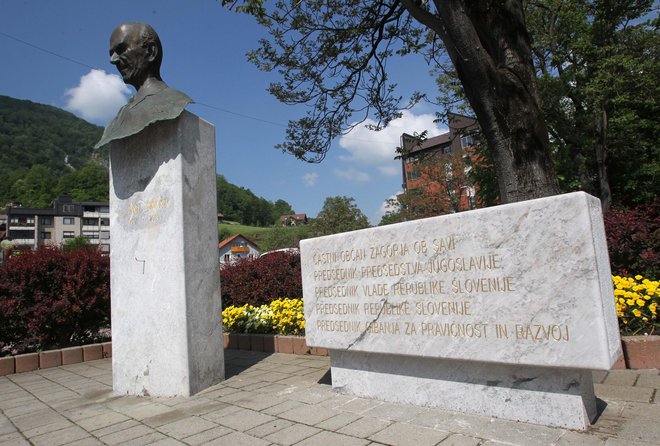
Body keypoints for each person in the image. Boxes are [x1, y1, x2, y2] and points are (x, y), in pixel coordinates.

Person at [95, 22, 192, 148]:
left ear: (151, 51)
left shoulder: (176, 101)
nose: (113, 60)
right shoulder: (117, 119)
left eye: (120, 50)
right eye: (112, 53)